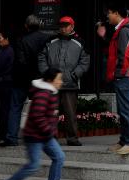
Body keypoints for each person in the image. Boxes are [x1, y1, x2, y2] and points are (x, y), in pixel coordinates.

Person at [0, 68, 67, 180]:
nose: (61, 82)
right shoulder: (43, 94)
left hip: (45, 135)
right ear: (49, 80)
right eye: (59, 79)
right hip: (34, 136)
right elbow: (37, 116)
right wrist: (49, 131)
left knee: (59, 157)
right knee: (33, 166)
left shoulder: (51, 92)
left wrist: (51, 131)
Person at [38, 16, 90, 146]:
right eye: (61, 25)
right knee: (51, 113)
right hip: (52, 84)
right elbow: (41, 57)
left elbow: (84, 62)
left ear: (72, 26)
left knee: (70, 113)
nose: (63, 28)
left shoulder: (80, 42)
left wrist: (74, 75)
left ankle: (72, 138)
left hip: (70, 84)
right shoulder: (50, 41)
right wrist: (46, 73)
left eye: (66, 25)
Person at [3, 16, 49, 148]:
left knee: (15, 107)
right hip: (40, 78)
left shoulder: (21, 40)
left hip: (22, 79)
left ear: (26, 26)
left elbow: (21, 61)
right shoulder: (46, 38)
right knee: (42, 107)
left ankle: (12, 137)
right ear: (39, 25)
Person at [105, 6, 129, 155]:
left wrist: (118, 72)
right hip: (122, 74)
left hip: (125, 74)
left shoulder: (125, 30)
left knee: (126, 109)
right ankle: (124, 140)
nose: (108, 16)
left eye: (109, 13)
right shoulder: (122, 29)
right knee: (123, 109)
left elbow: (126, 54)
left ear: (116, 13)